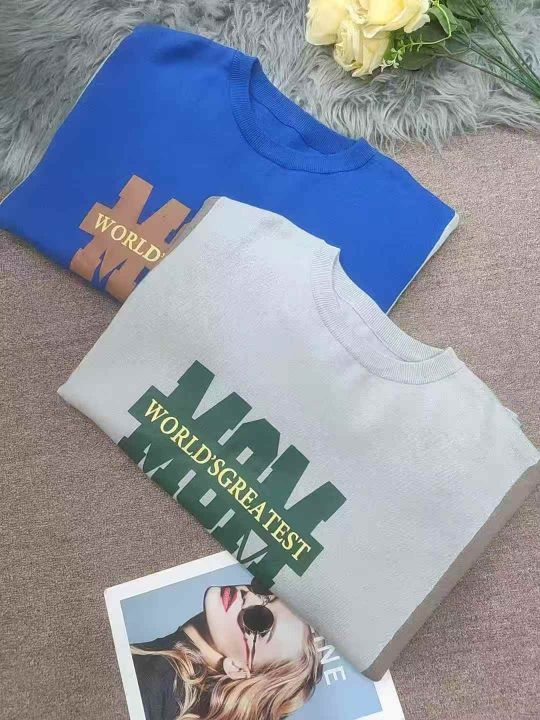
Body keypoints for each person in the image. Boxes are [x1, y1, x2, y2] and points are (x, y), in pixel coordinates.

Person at [131, 578, 323, 720]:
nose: (249, 596)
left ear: (237, 668)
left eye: (259, 620)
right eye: (266, 593)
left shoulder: (148, 684)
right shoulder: (162, 687)